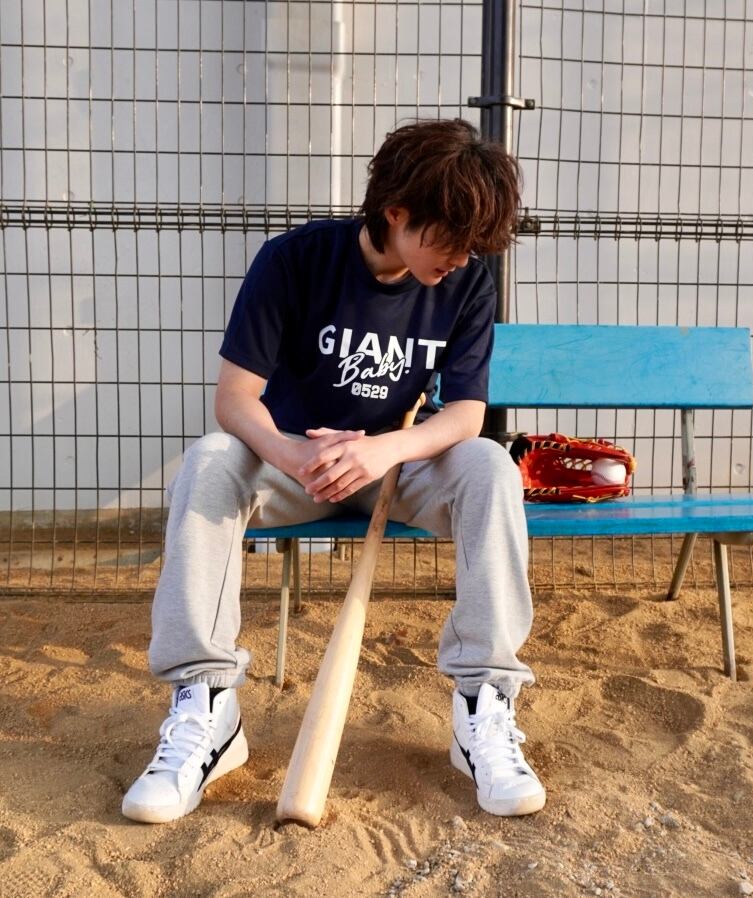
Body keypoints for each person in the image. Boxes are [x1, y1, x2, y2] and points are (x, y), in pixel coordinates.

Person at [121, 118, 545, 823]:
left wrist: (382, 451)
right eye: (451, 238)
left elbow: (466, 414)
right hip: (295, 465)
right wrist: (293, 455)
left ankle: (484, 704)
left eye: (474, 245)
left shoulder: (465, 282)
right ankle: (207, 706)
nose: (462, 258)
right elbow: (235, 400)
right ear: (397, 212)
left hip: (395, 469)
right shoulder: (295, 260)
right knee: (210, 460)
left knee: (489, 467)